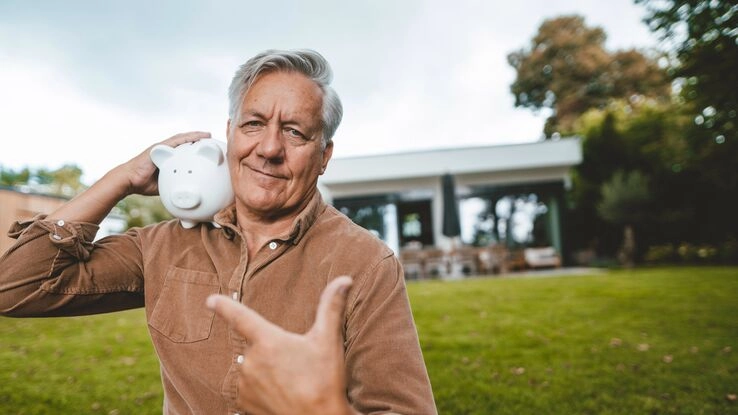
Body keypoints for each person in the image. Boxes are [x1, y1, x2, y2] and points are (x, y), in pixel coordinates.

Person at [0, 49, 437, 414]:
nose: (268, 149)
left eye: (294, 132)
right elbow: (16, 288)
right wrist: (122, 179)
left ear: (324, 156)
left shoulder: (364, 262)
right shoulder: (162, 245)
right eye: (253, 124)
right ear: (229, 135)